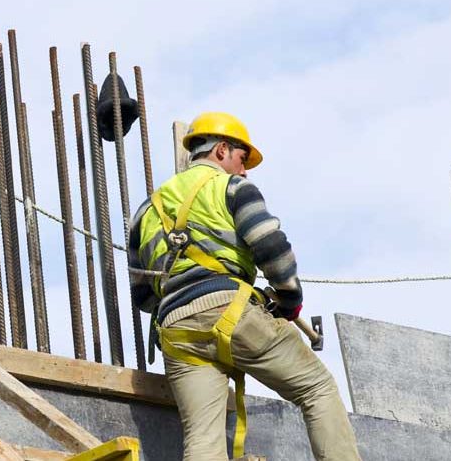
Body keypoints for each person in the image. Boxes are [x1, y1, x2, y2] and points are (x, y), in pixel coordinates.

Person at [128, 112, 360, 460]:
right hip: (231, 312)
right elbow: (271, 247)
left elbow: (143, 296)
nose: (245, 169)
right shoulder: (232, 187)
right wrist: (289, 298)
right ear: (221, 150)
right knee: (318, 389)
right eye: (241, 158)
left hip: (177, 332)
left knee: (203, 439)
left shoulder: (146, 211)